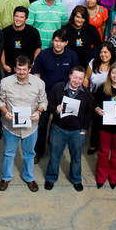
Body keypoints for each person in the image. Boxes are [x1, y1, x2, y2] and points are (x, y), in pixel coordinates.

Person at [0, 56, 48, 193]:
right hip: (10, 126)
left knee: (29, 153)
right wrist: (5, 111)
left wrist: (39, 112)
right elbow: (0, 101)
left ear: (30, 69)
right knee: (8, 153)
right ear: (14, 68)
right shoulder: (5, 82)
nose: (21, 72)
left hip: (30, 127)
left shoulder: (39, 83)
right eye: (18, 69)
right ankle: (6, 177)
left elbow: (44, 102)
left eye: (24, 69)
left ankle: (29, 177)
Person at [31, 29, 79, 161]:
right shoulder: (43, 55)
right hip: (45, 96)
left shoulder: (72, 56)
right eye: (56, 41)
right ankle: (38, 151)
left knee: (58, 125)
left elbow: (75, 76)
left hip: (64, 98)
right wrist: (39, 95)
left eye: (61, 41)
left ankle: (54, 150)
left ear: (66, 43)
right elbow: (36, 75)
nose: (58, 44)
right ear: (52, 41)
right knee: (42, 124)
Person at [43, 65, 92, 192]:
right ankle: (51, 178)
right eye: (75, 77)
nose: (77, 81)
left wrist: (84, 129)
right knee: (54, 155)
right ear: (70, 76)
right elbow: (48, 104)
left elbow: (88, 113)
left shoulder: (86, 93)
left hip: (77, 131)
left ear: (83, 80)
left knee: (76, 157)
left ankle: (76, 179)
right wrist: (55, 109)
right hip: (59, 129)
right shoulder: (58, 88)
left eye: (80, 79)